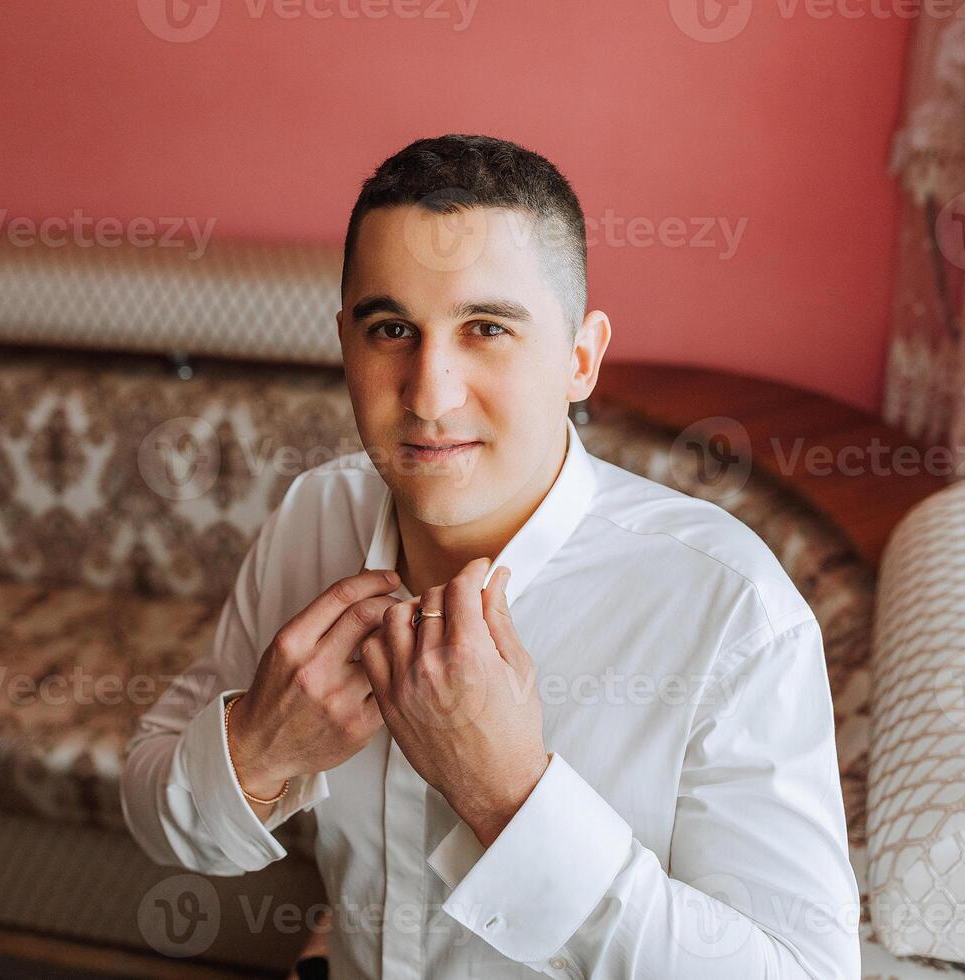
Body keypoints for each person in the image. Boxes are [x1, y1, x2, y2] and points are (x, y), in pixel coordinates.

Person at [122, 133, 860, 978]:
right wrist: (257, 749)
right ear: (344, 345)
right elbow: (157, 807)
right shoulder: (314, 516)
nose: (430, 394)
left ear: (581, 357)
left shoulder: (730, 612)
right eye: (391, 328)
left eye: (487, 329)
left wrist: (508, 798)